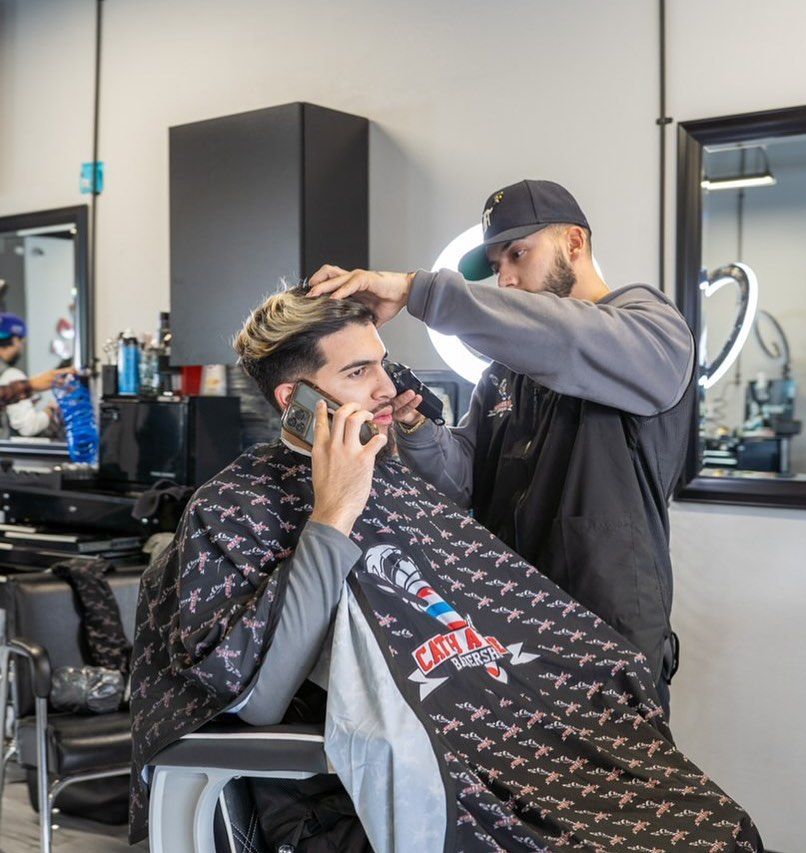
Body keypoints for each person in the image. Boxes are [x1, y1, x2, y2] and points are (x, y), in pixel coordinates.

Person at [129, 286, 762, 853]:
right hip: (369, 783)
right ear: (295, 399)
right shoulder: (234, 505)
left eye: (382, 363)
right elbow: (258, 697)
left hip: (500, 747)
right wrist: (332, 516)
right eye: (358, 371)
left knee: (711, 827)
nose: (385, 388)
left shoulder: (396, 477)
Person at [308, 179, 696, 714]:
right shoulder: (507, 372)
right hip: (507, 630)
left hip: (608, 634)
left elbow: (569, 338)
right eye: (496, 266)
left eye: (518, 254)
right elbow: (463, 478)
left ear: (574, 242)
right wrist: (419, 432)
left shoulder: (651, 331)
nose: (506, 279)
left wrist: (419, 290)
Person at [0, 313, 61, 435]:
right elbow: (29, 427)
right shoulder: (11, 375)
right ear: (15, 340)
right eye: (22, 341)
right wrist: (50, 409)